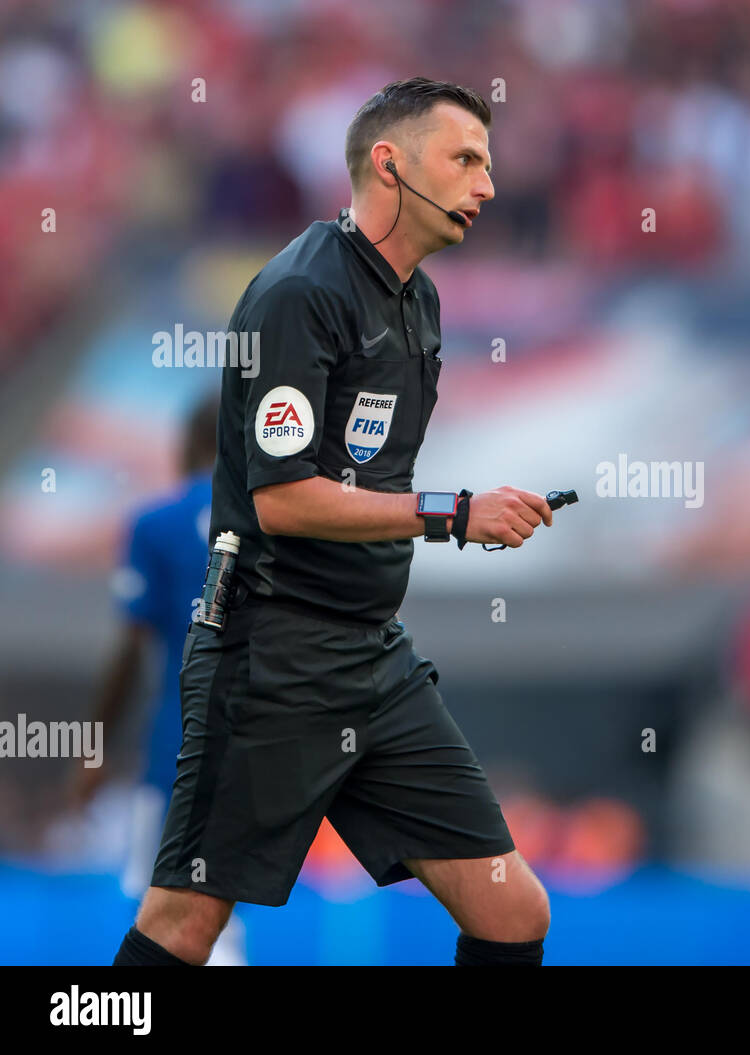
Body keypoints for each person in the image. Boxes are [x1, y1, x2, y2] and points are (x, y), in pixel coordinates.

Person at [112, 78, 554, 967]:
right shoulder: (299, 293)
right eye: (466, 160)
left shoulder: (418, 303)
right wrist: (454, 514)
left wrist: (448, 512)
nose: (487, 186)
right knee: (183, 927)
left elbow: (368, 482)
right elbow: (284, 497)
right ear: (390, 165)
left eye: (489, 165)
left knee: (514, 912)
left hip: (372, 659)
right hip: (270, 656)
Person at [74, 393, 246, 964]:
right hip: (259, 753)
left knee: (167, 922)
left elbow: (130, 649)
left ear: (187, 446)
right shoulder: (272, 525)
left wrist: (94, 749)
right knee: (217, 916)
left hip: (179, 753)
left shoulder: (155, 524)